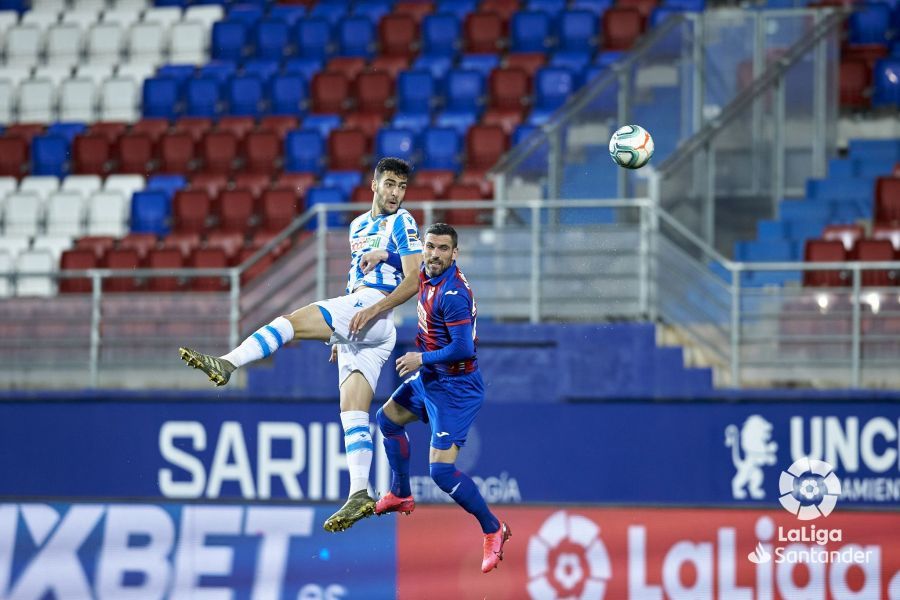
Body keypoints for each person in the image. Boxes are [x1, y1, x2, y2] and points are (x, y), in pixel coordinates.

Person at [178, 157, 423, 533]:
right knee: (352, 411)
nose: (396, 193)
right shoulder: (358, 226)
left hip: (375, 312)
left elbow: (414, 281)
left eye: (402, 187)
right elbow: (354, 278)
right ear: (373, 184)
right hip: (362, 322)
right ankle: (360, 490)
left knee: (291, 322)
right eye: (390, 184)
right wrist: (340, 334)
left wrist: (373, 309)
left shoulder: (402, 222)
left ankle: (228, 363)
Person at [367, 223, 512, 574]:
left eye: (442, 249)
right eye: (430, 246)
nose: (433, 254)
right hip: (432, 379)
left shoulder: (453, 294)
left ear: (455, 253)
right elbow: (409, 257)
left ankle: (494, 528)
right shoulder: (425, 269)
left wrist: (421, 359)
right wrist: (384, 254)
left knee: (442, 473)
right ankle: (401, 493)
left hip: (457, 388)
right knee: (386, 420)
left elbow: (463, 346)